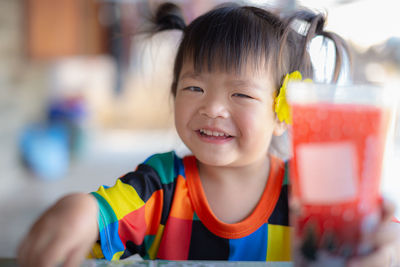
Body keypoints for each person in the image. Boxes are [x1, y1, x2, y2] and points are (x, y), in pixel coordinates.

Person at [17, 2, 400, 267]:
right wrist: (77, 211)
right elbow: (104, 214)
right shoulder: (160, 186)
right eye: (194, 88)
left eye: (241, 94)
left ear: (284, 111)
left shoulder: (310, 191)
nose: (212, 108)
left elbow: (375, 236)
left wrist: (384, 249)